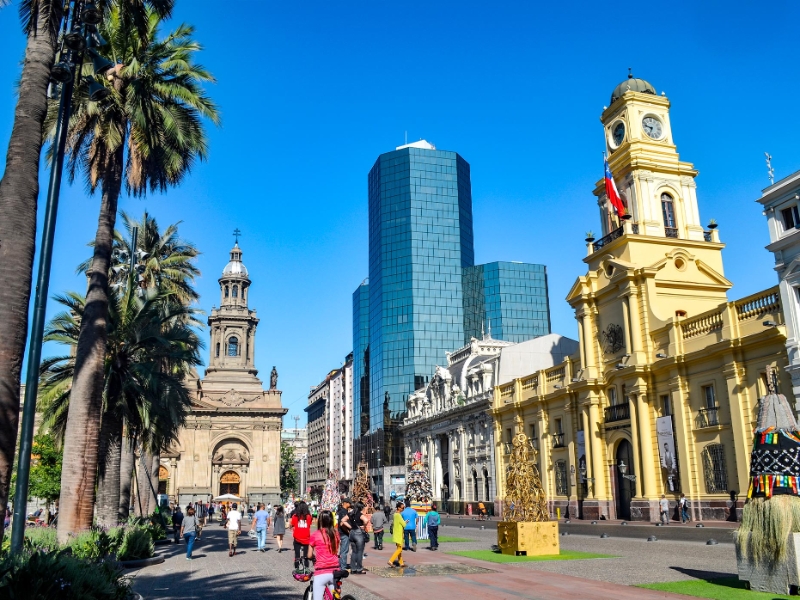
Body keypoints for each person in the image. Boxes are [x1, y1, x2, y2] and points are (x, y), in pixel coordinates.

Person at [307, 510, 341, 600]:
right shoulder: (336, 534)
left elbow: (309, 555)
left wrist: (314, 558)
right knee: (335, 596)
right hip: (335, 571)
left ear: (320, 521)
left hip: (321, 571)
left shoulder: (315, 535)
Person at [347, 501, 370, 574]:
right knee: (360, 552)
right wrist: (363, 526)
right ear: (361, 508)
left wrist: (350, 527)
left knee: (354, 551)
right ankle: (359, 568)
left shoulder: (351, 513)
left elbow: (343, 520)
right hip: (358, 533)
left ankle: (353, 568)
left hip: (352, 533)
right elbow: (366, 520)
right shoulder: (359, 514)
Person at [290, 501, 313, 571]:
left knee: (297, 555)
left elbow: (292, 524)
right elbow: (309, 524)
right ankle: (306, 568)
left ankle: (297, 568)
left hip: (297, 537)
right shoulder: (309, 517)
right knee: (306, 555)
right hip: (306, 537)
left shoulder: (295, 516)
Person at [336, 498, 352, 570]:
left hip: (341, 532)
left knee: (344, 550)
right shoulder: (343, 511)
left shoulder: (342, 511)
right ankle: (342, 567)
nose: (350, 504)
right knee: (344, 551)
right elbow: (342, 524)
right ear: (345, 503)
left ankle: (341, 565)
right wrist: (348, 531)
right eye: (349, 503)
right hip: (344, 533)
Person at [388, 502, 405, 568]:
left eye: (403, 508)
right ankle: (390, 560)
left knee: (399, 548)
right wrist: (405, 522)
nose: (403, 509)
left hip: (396, 533)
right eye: (402, 508)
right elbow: (404, 525)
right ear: (398, 508)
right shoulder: (398, 515)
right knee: (399, 549)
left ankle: (401, 563)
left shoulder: (395, 514)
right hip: (399, 534)